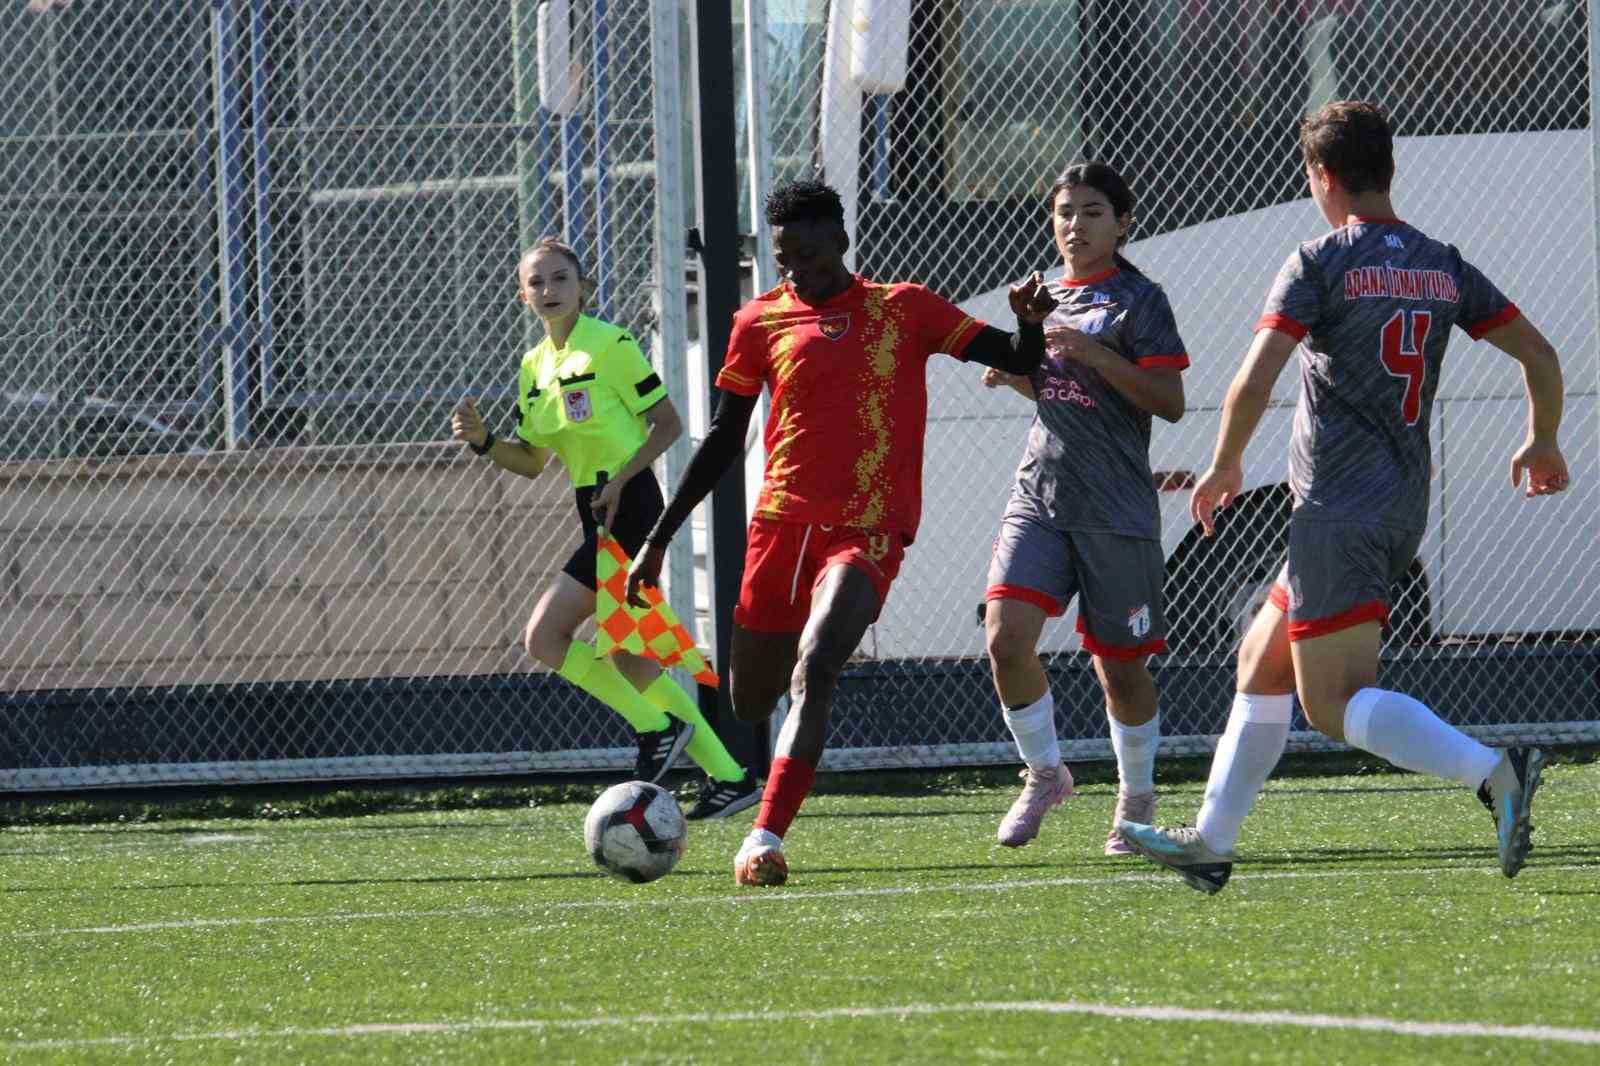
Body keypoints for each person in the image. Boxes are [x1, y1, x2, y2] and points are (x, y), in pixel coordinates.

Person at [1116, 100, 1569, 892]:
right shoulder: (1441, 263)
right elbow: (1539, 354)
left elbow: (1255, 375)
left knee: (1331, 702)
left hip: (1335, 508)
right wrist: (1542, 439)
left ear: (1321, 178)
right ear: (1386, 169)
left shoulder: (1319, 261)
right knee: (1260, 661)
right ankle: (1211, 843)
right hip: (1395, 504)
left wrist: (1223, 464)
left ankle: (1495, 769)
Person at [625, 179, 1058, 886]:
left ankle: (763, 836)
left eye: (809, 254)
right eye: (785, 256)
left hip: (869, 528)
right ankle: (766, 784)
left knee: (818, 664)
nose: (796, 268)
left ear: (842, 243)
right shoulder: (758, 321)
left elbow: (1016, 357)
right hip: (779, 527)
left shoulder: (905, 308)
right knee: (749, 700)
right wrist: (660, 535)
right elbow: (723, 437)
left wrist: (1030, 323)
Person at [451, 237, 760, 820]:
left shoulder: (612, 344)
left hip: (631, 506)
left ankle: (656, 730)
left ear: (583, 287)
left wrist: (620, 479)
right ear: (523, 296)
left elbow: (668, 426)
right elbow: (531, 461)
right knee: (633, 661)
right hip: (592, 507)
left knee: (545, 637)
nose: (549, 291)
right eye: (536, 283)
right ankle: (729, 777)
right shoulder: (533, 368)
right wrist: (485, 442)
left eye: (560, 279)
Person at [980, 162, 1188, 854]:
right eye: (1065, 212)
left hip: (1116, 507)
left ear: (1122, 222)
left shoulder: (1141, 300)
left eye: (1093, 212)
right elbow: (1052, 393)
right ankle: (1045, 774)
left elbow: (1169, 403)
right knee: (1006, 638)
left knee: (1119, 668)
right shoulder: (1041, 297)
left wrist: (1095, 355)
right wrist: (1019, 369)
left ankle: (1135, 801)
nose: (1076, 225)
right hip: (1040, 495)